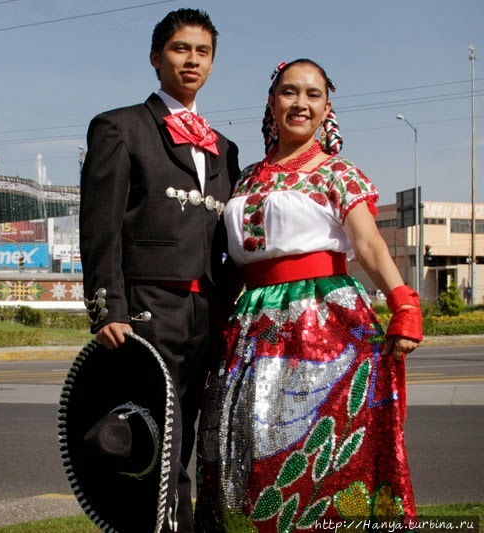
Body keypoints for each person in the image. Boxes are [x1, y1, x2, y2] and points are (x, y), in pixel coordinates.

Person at [195, 59, 423, 531]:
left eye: (313, 94)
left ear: (326, 109)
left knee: (321, 457)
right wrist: (216, 315)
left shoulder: (339, 173)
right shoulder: (246, 178)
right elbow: (239, 261)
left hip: (322, 326)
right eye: (289, 92)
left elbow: (368, 245)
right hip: (252, 327)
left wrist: (403, 302)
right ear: (272, 102)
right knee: (246, 453)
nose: (300, 103)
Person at [79, 8, 241, 532]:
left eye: (202, 52)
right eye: (180, 49)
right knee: (155, 440)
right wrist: (108, 308)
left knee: (190, 440)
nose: (191, 60)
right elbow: (100, 226)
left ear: (212, 64)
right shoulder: (120, 127)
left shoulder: (226, 148)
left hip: (206, 313)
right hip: (148, 310)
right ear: (156, 58)